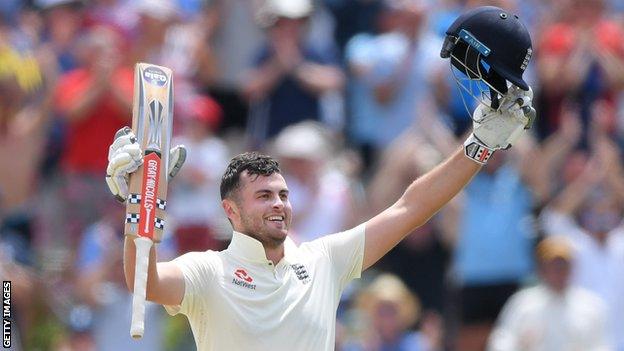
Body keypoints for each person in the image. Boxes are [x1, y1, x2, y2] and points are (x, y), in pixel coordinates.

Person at [104, 6, 535, 350]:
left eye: (282, 194)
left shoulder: (322, 261)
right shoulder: (208, 271)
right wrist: (135, 207)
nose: (278, 203)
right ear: (230, 210)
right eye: (263, 196)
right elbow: (144, 282)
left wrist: (480, 144)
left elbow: (412, 207)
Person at [487, 236, 611, 351]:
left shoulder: (591, 305)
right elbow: (501, 342)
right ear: (541, 269)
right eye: (552, 266)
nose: (558, 271)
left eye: (563, 265)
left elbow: (602, 346)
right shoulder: (522, 303)